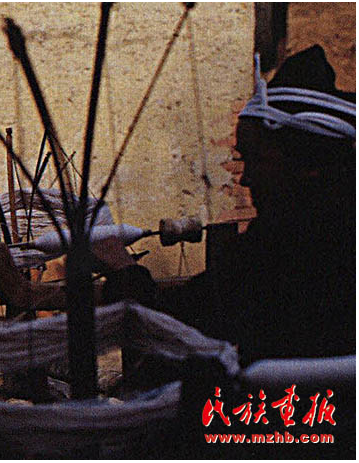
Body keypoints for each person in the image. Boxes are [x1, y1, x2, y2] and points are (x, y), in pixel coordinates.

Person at [125, 45, 355, 366]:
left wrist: (122, 272)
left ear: (307, 164)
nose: (245, 179)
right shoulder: (317, 225)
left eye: (254, 159)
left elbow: (186, 316)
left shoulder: (293, 247)